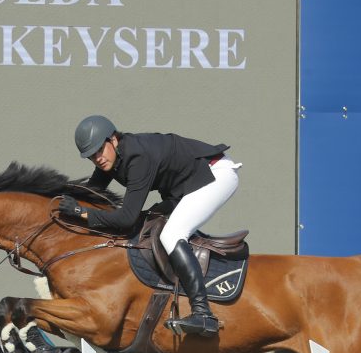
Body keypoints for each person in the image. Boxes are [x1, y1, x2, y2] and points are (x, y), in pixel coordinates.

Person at [58, 115, 241, 337]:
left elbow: (126, 218)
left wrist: (81, 212)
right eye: (91, 156)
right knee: (150, 222)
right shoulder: (114, 156)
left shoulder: (138, 157)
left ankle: (203, 314)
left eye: (99, 150)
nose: (97, 159)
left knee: (172, 234)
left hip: (214, 175)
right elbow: (91, 193)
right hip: (188, 185)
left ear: (113, 139)